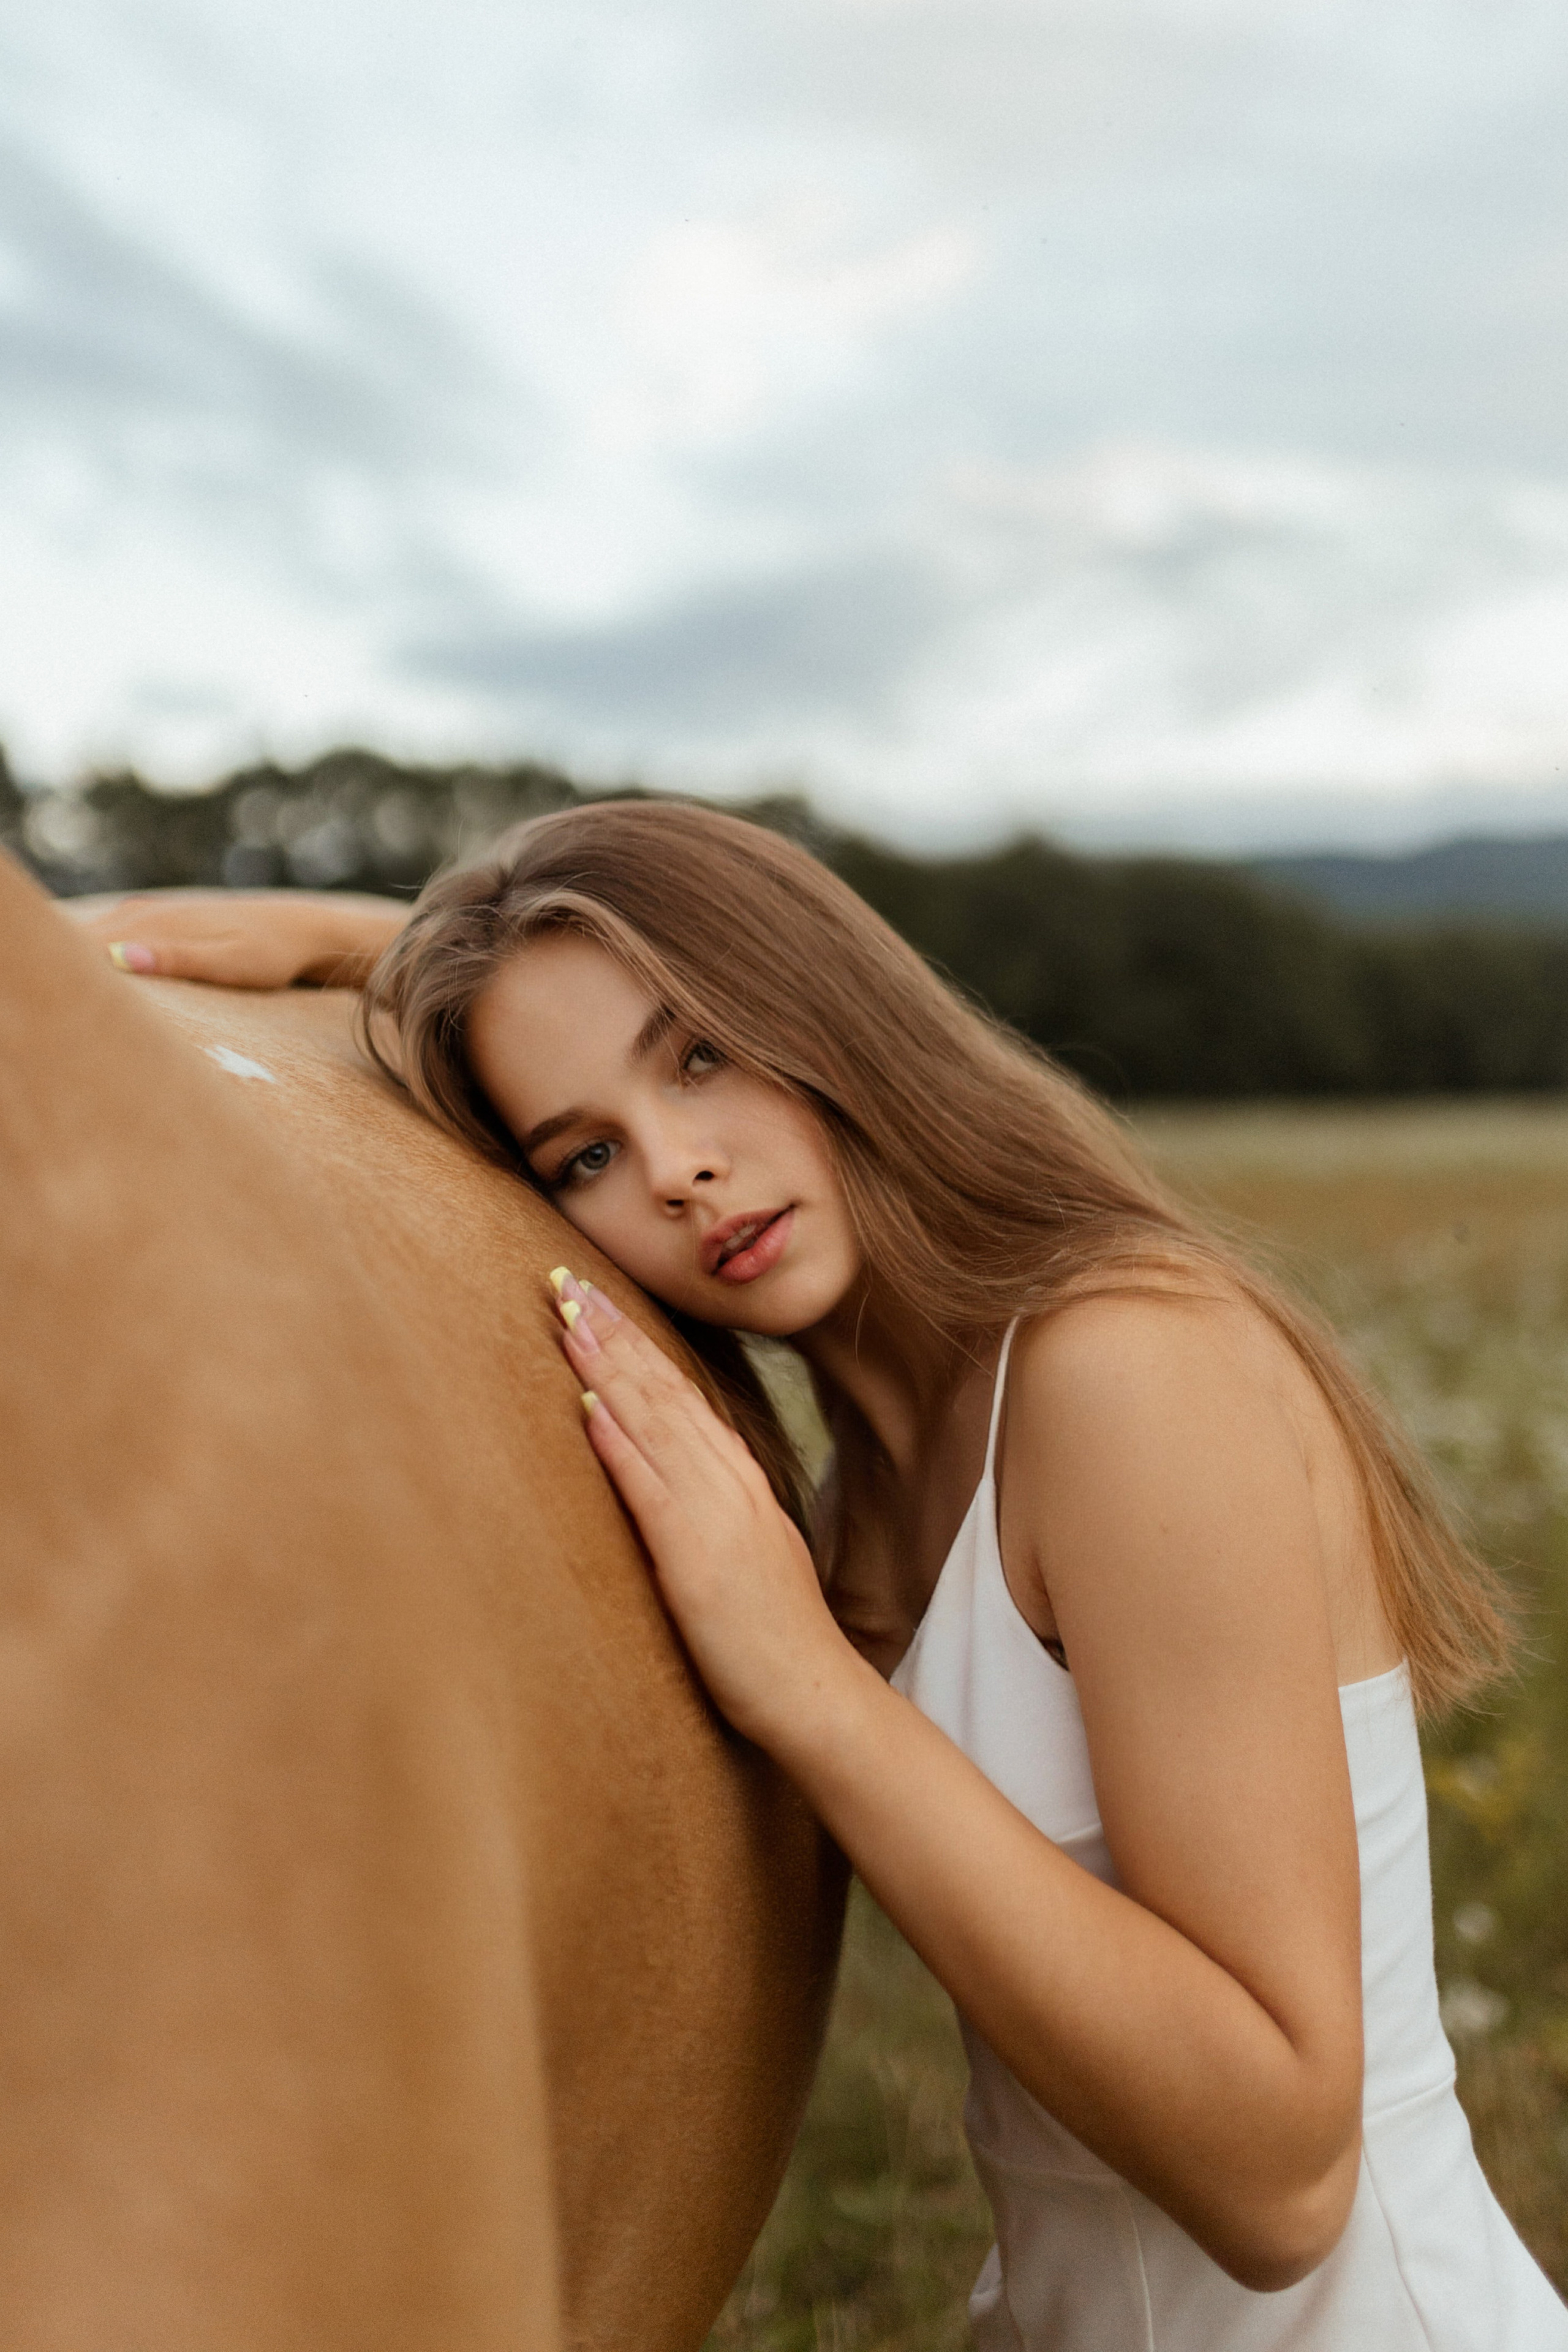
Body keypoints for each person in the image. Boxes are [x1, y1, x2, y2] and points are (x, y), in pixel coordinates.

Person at [84, 799, 1568, 2348]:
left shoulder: (1125, 1375)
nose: (674, 1170)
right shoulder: (862, 1494)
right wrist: (365, 953)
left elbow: (1281, 2185)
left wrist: (802, 1683)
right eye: (584, 1152)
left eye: (702, 1053)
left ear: (820, 1003)